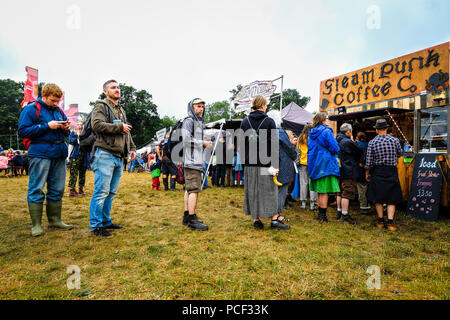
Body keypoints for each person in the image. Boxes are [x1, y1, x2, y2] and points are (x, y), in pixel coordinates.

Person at [18, 83, 73, 237]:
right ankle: (36, 225)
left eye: (57, 101)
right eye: (53, 100)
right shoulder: (31, 109)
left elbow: (65, 133)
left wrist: (65, 128)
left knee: (57, 189)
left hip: (59, 153)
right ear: (44, 96)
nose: (56, 104)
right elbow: (22, 131)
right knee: (36, 188)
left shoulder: (59, 111)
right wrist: (46, 126)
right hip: (40, 153)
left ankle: (55, 220)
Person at [89, 80, 136, 237]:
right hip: (104, 153)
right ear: (105, 91)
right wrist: (119, 127)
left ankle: (105, 221)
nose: (117, 90)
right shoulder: (101, 105)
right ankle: (96, 225)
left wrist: (132, 148)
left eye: (118, 87)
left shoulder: (120, 109)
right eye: (113, 88)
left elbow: (126, 131)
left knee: (111, 192)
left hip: (118, 155)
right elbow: (96, 125)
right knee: (101, 191)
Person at [240, 95, 289, 230]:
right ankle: (274, 220)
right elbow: (274, 145)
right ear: (263, 105)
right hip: (266, 163)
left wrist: (245, 163)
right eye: (266, 104)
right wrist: (275, 165)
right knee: (270, 191)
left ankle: (256, 220)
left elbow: (242, 144)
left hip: (250, 163)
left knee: (253, 191)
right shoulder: (269, 121)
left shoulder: (244, 121)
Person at [365, 118, 403, 231]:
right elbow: (400, 154)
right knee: (392, 196)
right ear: (387, 128)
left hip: (378, 171)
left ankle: (381, 221)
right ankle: (390, 223)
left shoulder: (372, 142)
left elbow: (368, 161)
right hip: (391, 170)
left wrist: (367, 173)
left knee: (378, 197)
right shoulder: (395, 140)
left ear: (376, 130)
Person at [180, 98, 211, 231]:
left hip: (194, 160)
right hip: (192, 161)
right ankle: (192, 219)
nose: (201, 109)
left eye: (202, 107)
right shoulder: (189, 120)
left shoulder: (198, 122)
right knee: (194, 190)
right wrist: (202, 143)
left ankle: (187, 216)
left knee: (189, 189)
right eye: (198, 106)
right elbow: (186, 139)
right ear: (192, 107)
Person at [307, 112, 340, 223]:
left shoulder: (311, 133)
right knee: (324, 191)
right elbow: (335, 147)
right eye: (327, 119)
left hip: (315, 164)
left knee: (320, 191)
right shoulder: (326, 131)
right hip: (325, 164)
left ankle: (320, 215)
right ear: (322, 120)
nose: (328, 121)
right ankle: (323, 216)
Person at [335, 123, 362, 224]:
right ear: (348, 132)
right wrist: (352, 140)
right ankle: (345, 215)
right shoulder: (347, 141)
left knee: (339, 191)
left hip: (339, 169)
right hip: (348, 169)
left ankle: (339, 212)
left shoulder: (336, 139)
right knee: (347, 192)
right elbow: (359, 151)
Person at [297, 124, 317, 211]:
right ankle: (312, 203)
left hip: (302, 162)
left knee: (303, 183)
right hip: (312, 162)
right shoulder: (314, 138)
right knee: (312, 182)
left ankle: (303, 203)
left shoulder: (300, 139)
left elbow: (297, 151)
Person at [68, 121, 88, 197]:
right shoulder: (73, 133)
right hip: (75, 155)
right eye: (78, 124)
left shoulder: (85, 133)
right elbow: (71, 143)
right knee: (73, 173)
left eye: (81, 124)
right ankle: (72, 190)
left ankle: (81, 188)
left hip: (84, 155)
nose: (79, 126)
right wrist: (77, 137)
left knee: (83, 173)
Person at [355, 131, 371, 215]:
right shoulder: (369, 145)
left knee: (361, 189)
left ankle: (363, 207)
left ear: (357, 138)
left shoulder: (356, 146)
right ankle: (369, 204)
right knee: (368, 188)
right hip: (369, 169)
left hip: (359, 170)